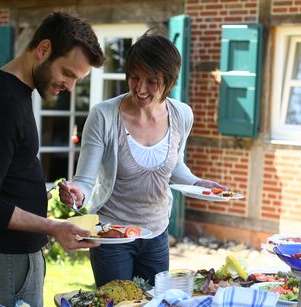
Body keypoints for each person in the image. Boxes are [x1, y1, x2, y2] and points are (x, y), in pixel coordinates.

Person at [0, 12, 103, 307]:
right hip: (4, 259)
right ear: (43, 49)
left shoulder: (7, 88)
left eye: (76, 79)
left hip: (7, 258)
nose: (70, 86)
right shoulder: (3, 102)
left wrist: (28, 190)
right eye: (68, 73)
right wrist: (54, 227)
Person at [59, 31, 226, 287]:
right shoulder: (103, 115)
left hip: (156, 234)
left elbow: (173, 165)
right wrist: (76, 193)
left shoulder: (182, 115)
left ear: (168, 81)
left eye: (152, 81)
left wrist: (197, 183)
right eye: (134, 77)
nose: (140, 88)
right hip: (112, 235)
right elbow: (85, 180)